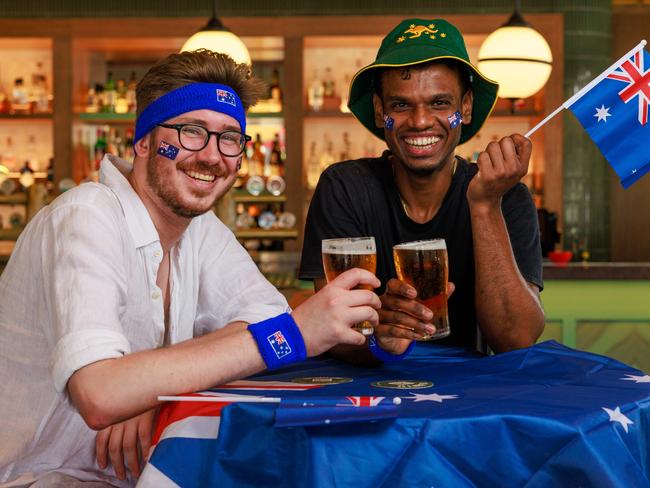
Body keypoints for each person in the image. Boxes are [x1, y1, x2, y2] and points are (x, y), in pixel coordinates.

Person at [0, 50, 380, 487]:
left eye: (230, 138)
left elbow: (268, 315)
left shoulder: (200, 230)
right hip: (35, 478)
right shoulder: (86, 215)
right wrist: (291, 336)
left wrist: (149, 384)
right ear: (142, 140)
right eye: (191, 132)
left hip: (135, 474)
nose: (213, 156)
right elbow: (102, 393)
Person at [299, 18, 545, 359]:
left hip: (471, 395)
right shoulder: (345, 187)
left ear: (467, 107)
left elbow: (515, 339)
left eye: (440, 103)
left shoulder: (505, 195)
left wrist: (485, 205)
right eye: (401, 105)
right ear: (379, 110)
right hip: (363, 391)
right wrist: (378, 331)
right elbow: (329, 330)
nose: (420, 121)